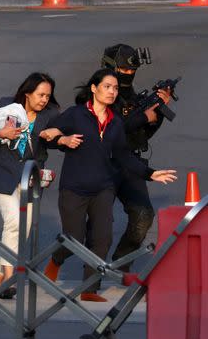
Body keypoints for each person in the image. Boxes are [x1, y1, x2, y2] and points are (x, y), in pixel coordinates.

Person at [41, 68, 177, 301]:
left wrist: (150, 174)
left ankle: (89, 290)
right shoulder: (75, 115)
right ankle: (56, 260)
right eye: (107, 87)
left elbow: (123, 155)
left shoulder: (114, 124)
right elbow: (46, 135)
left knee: (102, 239)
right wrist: (61, 137)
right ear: (94, 89)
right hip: (74, 188)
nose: (112, 92)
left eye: (114, 88)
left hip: (103, 188)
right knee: (73, 238)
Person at [0, 73, 60, 299]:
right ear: (28, 93)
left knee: (21, 228)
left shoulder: (51, 115)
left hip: (30, 178)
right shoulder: (7, 106)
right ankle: (11, 276)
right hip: (3, 175)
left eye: (47, 96)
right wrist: (0, 133)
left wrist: (57, 133)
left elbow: (62, 133)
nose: (44, 100)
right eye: (40, 94)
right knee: (14, 221)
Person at [100, 44, 173, 271]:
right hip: (104, 164)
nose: (129, 75)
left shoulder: (131, 95)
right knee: (99, 225)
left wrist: (157, 112)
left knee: (143, 216)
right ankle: (88, 276)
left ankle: (120, 266)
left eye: (133, 72)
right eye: (124, 70)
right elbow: (111, 129)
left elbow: (142, 135)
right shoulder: (98, 94)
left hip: (129, 162)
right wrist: (142, 117)